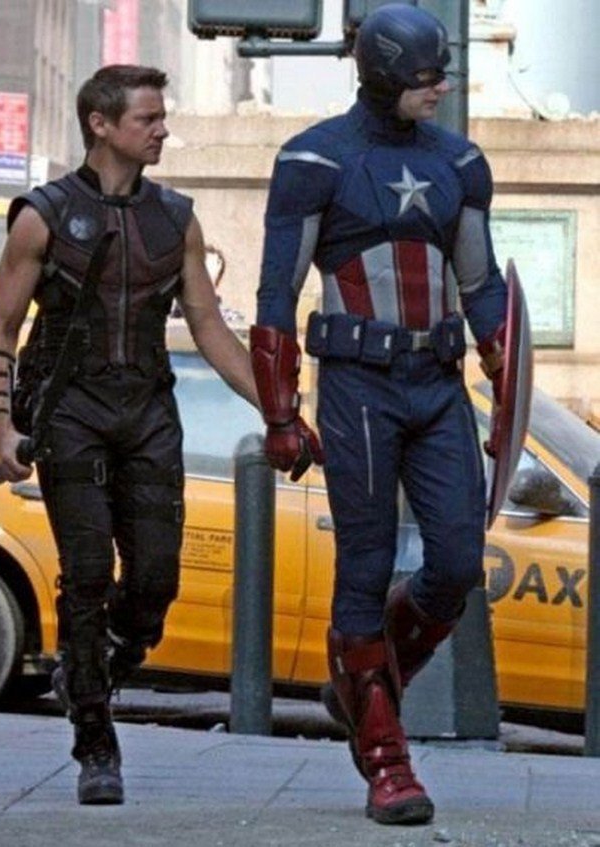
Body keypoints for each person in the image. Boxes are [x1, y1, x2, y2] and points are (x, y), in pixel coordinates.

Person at [250, 4, 508, 827]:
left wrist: (505, 376)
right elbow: (276, 292)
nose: (440, 88)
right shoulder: (314, 159)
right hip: (357, 386)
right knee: (362, 566)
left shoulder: (459, 161)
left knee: (457, 562)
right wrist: (281, 411)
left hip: (437, 384)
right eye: (425, 77)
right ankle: (386, 758)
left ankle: (364, 679)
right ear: (385, 76)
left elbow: (479, 285)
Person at [0, 65, 257, 806]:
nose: (162, 129)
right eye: (148, 119)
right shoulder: (42, 216)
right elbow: (1, 330)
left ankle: (97, 664)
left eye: (162, 117)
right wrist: (4, 428)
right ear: (101, 125)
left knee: (156, 580)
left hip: (148, 412)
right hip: (70, 412)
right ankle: (95, 743)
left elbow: (210, 328)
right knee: (83, 575)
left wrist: (278, 408)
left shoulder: (177, 219)